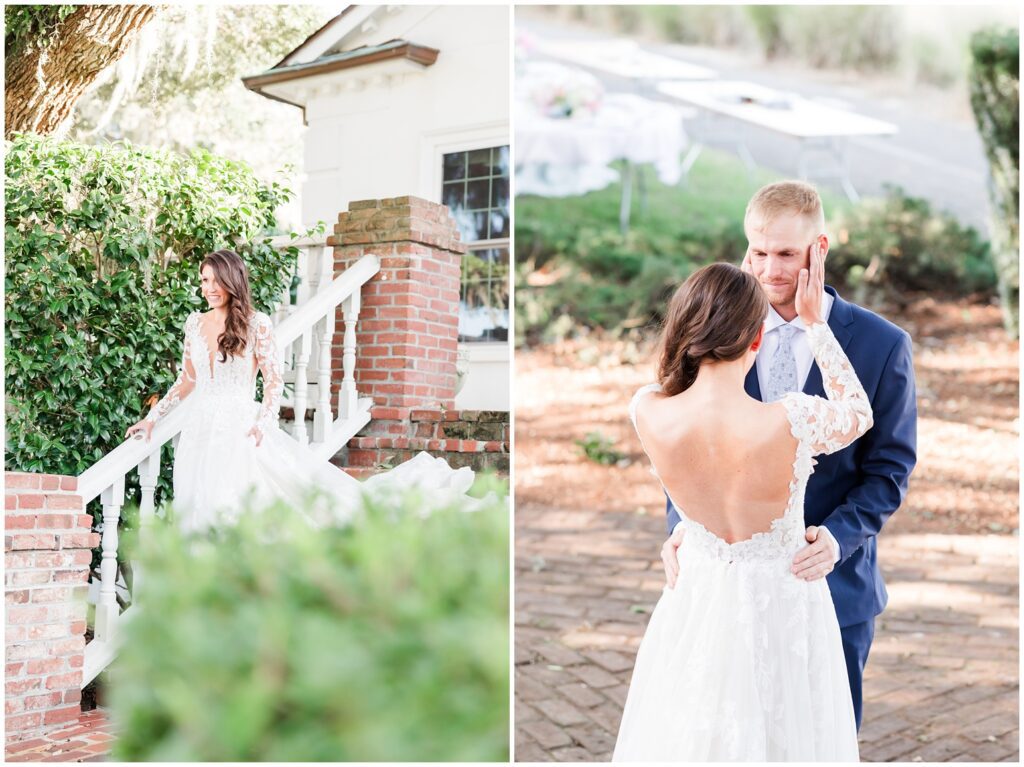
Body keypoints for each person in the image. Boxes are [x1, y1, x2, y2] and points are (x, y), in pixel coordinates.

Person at [660, 181, 917, 730]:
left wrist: (838, 539)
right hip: (729, 596)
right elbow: (686, 437)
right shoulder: (716, 330)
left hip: (830, 587)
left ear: (819, 249)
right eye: (757, 252)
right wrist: (683, 525)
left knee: (822, 739)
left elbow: (889, 470)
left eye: (786, 254)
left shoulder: (881, 344)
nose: (769, 270)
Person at [613, 246, 871, 760]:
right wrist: (816, 324)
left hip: (697, 599)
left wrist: (686, 529)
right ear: (756, 338)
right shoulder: (792, 420)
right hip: (785, 603)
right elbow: (857, 412)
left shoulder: (647, 410)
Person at [125, 249, 475, 532]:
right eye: (204, 280)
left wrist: (263, 423)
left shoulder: (256, 323)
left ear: (232, 281)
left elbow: (274, 381)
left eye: (216, 280)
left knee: (232, 506)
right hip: (199, 430)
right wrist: (152, 418)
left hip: (238, 428)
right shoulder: (194, 323)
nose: (209, 288)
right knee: (196, 502)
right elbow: (187, 380)